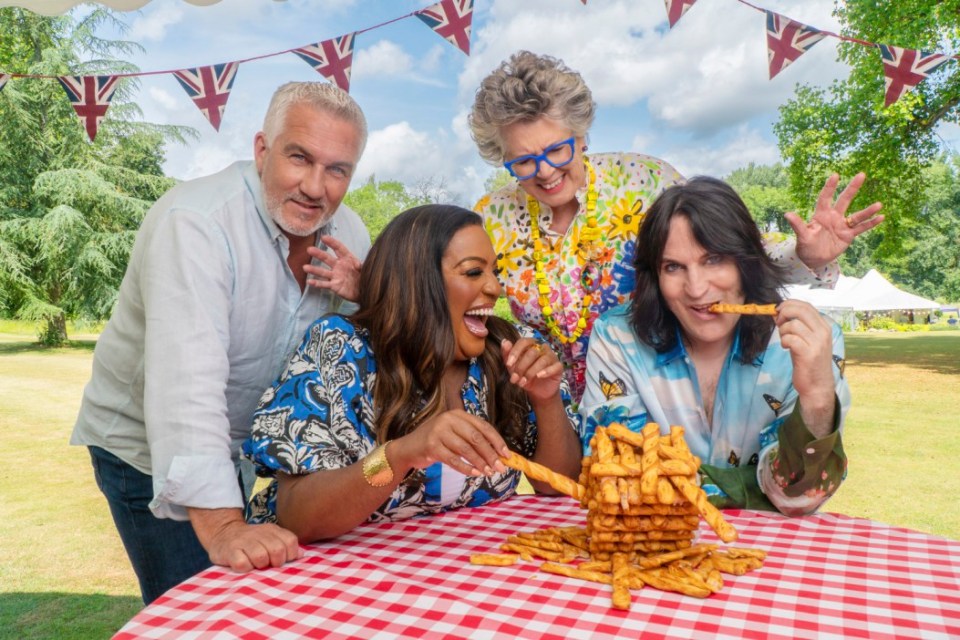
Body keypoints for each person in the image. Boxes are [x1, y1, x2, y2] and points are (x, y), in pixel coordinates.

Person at [70, 82, 372, 604]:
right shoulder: (196, 224)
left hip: (243, 449)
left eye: (337, 169)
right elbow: (186, 388)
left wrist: (366, 296)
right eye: (299, 157)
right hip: (142, 448)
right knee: (197, 607)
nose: (315, 186)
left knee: (259, 602)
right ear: (262, 150)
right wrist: (227, 528)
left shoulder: (350, 234)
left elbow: (362, 353)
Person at [469, 51, 883, 401]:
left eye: (557, 150)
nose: (545, 172)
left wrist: (806, 255)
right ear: (500, 156)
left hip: (658, 400)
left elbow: (729, 254)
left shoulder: (642, 179)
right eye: (523, 161)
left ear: (580, 136)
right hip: (552, 405)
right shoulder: (492, 218)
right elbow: (464, 299)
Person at [242, 205, 582, 541]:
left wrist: (546, 399)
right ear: (418, 281)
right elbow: (299, 517)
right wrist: (401, 454)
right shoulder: (341, 349)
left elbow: (557, 486)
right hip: (335, 580)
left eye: (494, 271)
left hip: (457, 574)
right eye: (474, 272)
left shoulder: (507, 348)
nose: (495, 287)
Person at [579, 176, 850, 517]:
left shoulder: (813, 340)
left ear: (747, 262)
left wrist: (818, 398)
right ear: (655, 277)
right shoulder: (616, 338)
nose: (696, 288)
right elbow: (619, 477)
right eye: (674, 267)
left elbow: (797, 495)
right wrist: (751, 487)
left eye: (714, 260)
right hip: (655, 549)